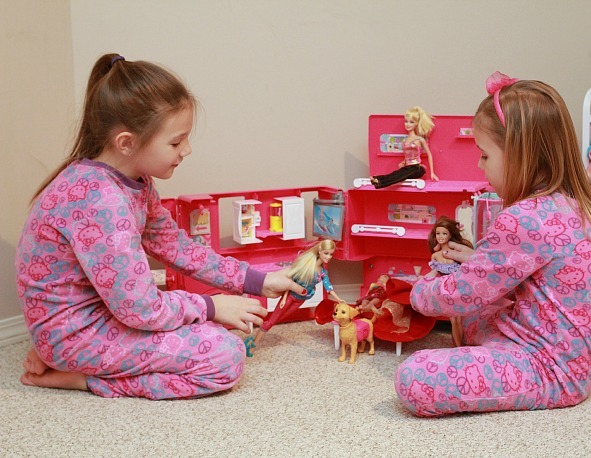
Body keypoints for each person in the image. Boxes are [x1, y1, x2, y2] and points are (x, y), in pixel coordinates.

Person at [16, 53, 304, 400]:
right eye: (175, 141)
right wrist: (211, 307)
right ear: (127, 142)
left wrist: (255, 280)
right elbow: (140, 308)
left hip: (98, 318)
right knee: (225, 356)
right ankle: (79, 377)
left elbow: (176, 247)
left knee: (219, 327)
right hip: (75, 334)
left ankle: (70, 362)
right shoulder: (100, 201)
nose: (187, 150)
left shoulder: (134, 181)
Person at [395, 71, 591, 417]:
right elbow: (521, 276)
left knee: (415, 377)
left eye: (484, 155)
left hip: (553, 371)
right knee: (478, 317)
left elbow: (463, 293)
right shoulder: (580, 202)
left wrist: (420, 291)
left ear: (518, 155)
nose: (480, 166)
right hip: (572, 342)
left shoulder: (523, 218)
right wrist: (477, 263)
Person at [259, 239, 344, 332]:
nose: (329, 257)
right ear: (320, 251)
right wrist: (284, 297)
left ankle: (261, 333)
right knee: (272, 320)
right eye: (326, 253)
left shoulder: (323, 273)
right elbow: (291, 280)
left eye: (331, 254)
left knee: (277, 319)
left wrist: (338, 299)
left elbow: (329, 287)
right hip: (291, 296)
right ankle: (254, 342)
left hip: (300, 300)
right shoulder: (307, 265)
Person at [427, 216, 474, 347]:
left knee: (460, 320)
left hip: (459, 288)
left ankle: (460, 346)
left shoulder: (456, 252)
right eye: (438, 233)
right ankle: (458, 347)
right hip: (446, 291)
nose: (440, 236)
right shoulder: (435, 256)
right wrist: (426, 279)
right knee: (454, 320)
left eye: (444, 233)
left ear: (450, 235)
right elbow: (435, 272)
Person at [370, 106, 438, 189]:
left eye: (411, 122)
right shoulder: (405, 140)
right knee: (397, 173)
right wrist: (404, 162)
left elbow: (429, 155)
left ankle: (380, 182)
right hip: (408, 167)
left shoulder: (420, 139)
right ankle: (377, 178)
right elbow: (408, 155)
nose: (408, 124)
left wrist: (432, 172)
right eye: (406, 121)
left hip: (417, 168)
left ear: (416, 123)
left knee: (401, 175)